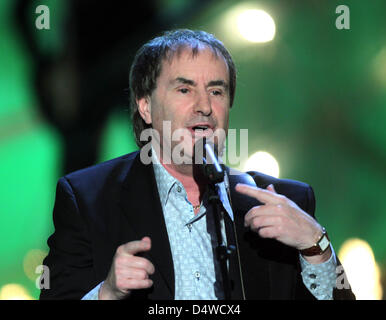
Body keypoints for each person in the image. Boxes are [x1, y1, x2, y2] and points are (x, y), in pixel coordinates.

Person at [40, 29, 354, 300]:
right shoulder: (87, 200)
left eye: (216, 91)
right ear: (146, 106)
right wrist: (107, 293)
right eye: (184, 89)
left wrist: (317, 247)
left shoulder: (286, 202)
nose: (204, 106)